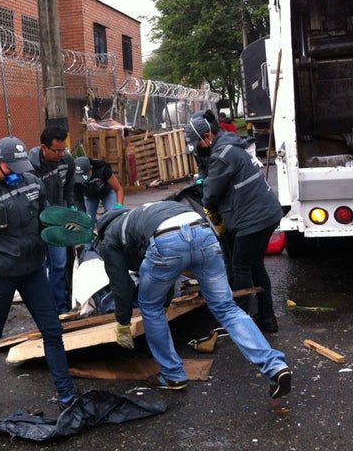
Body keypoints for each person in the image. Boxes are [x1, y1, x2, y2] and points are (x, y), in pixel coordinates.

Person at [97, 202, 292, 398]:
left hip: (167, 241)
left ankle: (173, 375)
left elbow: (121, 285)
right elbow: (162, 271)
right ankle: (275, 366)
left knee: (150, 307)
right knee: (226, 308)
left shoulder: (109, 237)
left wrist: (123, 322)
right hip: (203, 233)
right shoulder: (145, 213)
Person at [0, 136, 77, 415]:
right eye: (11, 166)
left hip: (33, 269)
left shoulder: (32, 183)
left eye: (20, 166)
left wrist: (65, 227)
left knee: (52, 330)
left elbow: (46, 217)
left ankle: (66, 393)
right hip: (2, 274)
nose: (18, 172)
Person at [185, 110, 283, 333]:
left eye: (198, 145)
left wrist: (203, 182)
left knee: (240, 266)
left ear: (207, 136)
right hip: (267, 214)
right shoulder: (228, 146)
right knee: (256, 265)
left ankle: (240, 321)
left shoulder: (222, 155)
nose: (198, 149)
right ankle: (267, 318)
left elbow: (210, 195)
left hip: (254, 219)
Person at [28, 126, 76, 314]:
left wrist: (71, 207)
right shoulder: (30, 168)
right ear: (44, 148)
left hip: (59, 221)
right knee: (40, 267)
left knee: (59, 263)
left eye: (64, 149)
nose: (61, 154)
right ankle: (43, 307)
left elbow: (70, 186)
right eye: (57, 150)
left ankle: (59, 307)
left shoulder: (66, 160)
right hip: (37, 223)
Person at [73, 156, 125, 222]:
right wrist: (82, 213)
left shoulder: (103, 169)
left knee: (112, 217)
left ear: (91, 168)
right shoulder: (75, 178)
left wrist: (119, 205)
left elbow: (119, 189)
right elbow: (78, 199)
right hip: (90, 196)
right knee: (87, 220)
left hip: (106, 192)